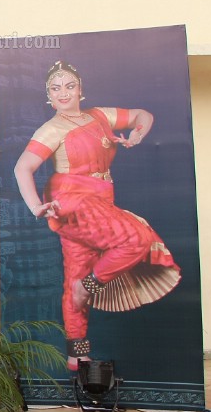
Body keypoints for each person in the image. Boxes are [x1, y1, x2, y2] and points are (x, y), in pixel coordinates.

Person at [14, 61, 180, 370]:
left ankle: (77, 356)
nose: (63, 92)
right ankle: (88, 286)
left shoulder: (100, 115)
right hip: (73, 201)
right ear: (47, 96)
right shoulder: (52, 128)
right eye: (55, 88)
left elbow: (143, 115)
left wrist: (138, 133)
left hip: (101, 199)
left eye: (69, 86)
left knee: (74, 274)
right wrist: (34, 205)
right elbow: (22, 167)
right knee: (136, 238)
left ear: (81, 90)